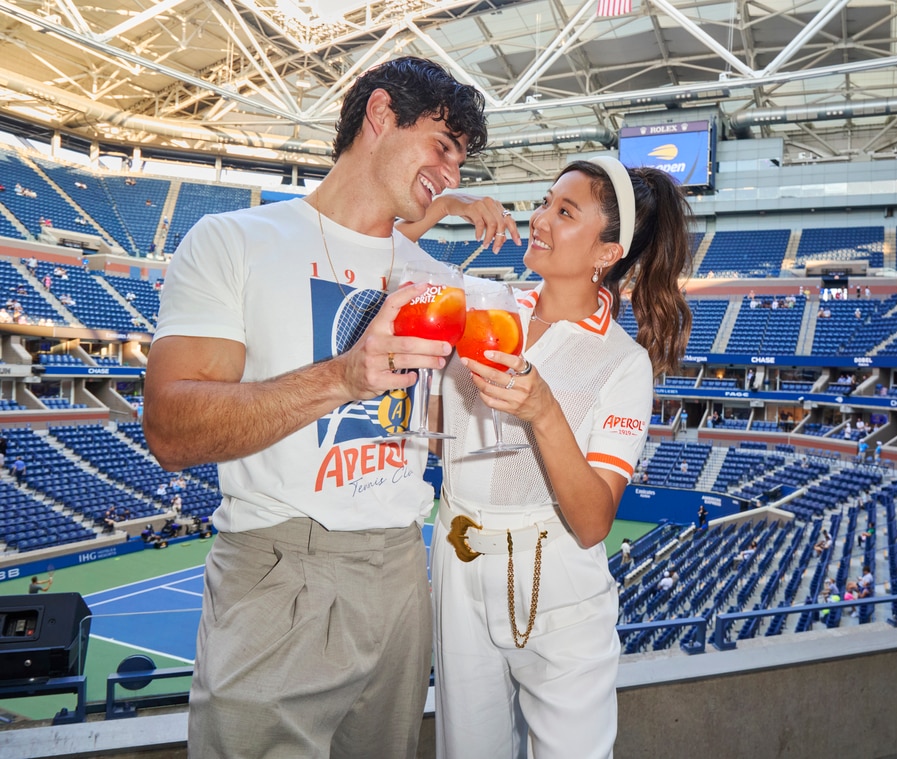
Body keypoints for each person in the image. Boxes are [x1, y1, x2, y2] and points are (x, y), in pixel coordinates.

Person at [142, 57, 491, 759]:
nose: (451, 175)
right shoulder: (233, 241)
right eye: (444, 147)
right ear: (381, 114)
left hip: (399, 570)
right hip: (279, 570)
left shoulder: (437, 280)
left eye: (461, 165)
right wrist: (342, 378)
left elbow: (442, 430)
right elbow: (170, 429)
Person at [424, 157, 694, 759]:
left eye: (564, 211)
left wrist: (544, 411)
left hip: (560, 589)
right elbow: (439, 427)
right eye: (545, 202)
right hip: (458, 561)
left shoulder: (623, 364)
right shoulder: (488, 307)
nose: (540, 218)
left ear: (607, 252)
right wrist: (445, 207)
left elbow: (594, 520)